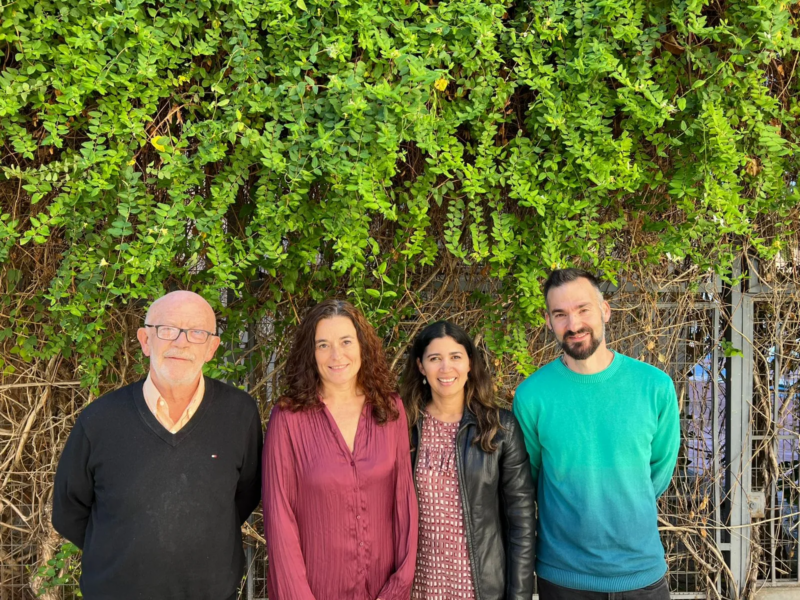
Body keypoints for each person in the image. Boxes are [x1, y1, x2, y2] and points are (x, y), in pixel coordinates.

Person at [52, 291, 263, 600]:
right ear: (145, 340)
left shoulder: (239, 414)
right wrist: (123, 551)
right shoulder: (99, 420)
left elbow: (244, 496)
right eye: (168, 330)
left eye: (196, 333)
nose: (181, 342)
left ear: (211, 348)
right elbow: (68, 511)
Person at [512, 269, 681, 600]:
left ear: (605, 311)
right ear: (548, 321)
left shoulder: (655, 387)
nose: (573, 324)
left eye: (583, 309)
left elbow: (658, 473)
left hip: (642, 575)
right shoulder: (532, 396)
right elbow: (529, 479)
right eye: (560, 314)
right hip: (564, 579)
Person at [262, 299, 418, 600]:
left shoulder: (390, 409)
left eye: (346, 341)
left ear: (362, 346)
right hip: (315, 589)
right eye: (323, 345)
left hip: (383, 590)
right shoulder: (288, 417)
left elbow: (404, 502)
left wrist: (398, 586)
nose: (336, 355)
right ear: (311, 353)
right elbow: (279, 518)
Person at [400, 320, 536, 600]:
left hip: (480, 588)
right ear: (421, 366)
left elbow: (521, 525)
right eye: (435, 358)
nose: (446, 368)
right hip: (416, 587)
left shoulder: (500, 429)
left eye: (455, 357)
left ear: (470, 364)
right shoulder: (402, 427)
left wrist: (519, 596)